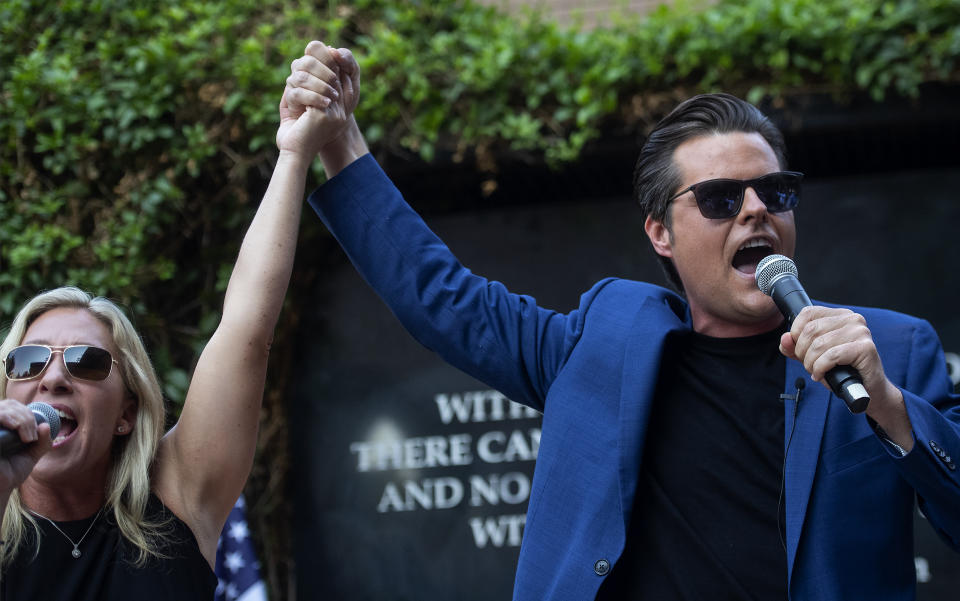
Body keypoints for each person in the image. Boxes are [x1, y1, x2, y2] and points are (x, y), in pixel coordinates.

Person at [291, 46, 960, 600]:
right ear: (660, 233)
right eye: (721, 199)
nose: (757, 209)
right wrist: (341, 140)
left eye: (776, 191)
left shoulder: (892, 351)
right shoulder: (599, 345)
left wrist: (892, 410)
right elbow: (445, 300)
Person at [0, 41, 348, 599]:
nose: (53, 376)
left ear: (126, 413)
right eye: (30, 358)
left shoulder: (175, 500)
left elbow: (246, 329)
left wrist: (292, 156)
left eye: (88, 362)